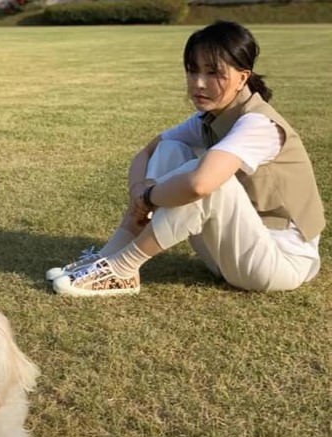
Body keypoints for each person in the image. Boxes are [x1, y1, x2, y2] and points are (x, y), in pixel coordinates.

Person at [47, 21, 325, 297]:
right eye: (193, 71)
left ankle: (123, 268)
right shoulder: (210, 118)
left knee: (206, 179)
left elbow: (199, 185)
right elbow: (147, 152)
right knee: (170, 148)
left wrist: (149, 196)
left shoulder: (258, 124)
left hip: (280, 262)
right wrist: (138, 192)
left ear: (242, 77)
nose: (198, 83)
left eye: (213, 72)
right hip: (231, 254)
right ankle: (108, 256)